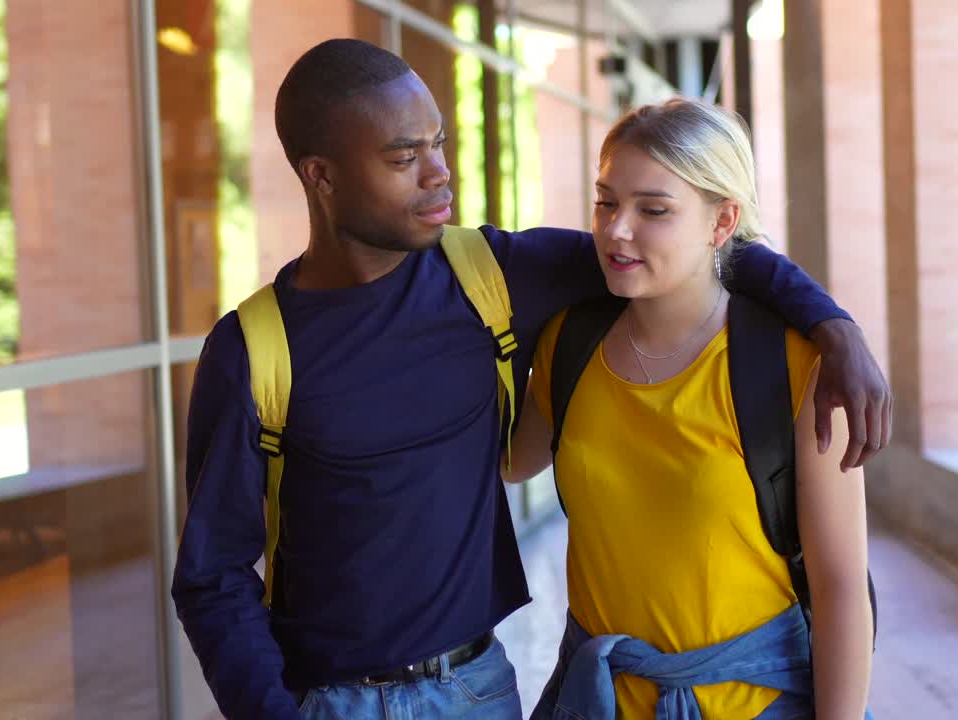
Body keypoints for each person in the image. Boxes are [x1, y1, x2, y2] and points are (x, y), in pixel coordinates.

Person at [172, 39, 887, 720]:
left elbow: (693, 252)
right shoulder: (251, 351)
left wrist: (832, 326)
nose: (439, 172)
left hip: (479, 691)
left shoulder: (494, 277)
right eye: (404, 157)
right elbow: (212, 577)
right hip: (328, 701)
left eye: (439, 144)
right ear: (321, 176)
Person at [506, 99, 874, 720]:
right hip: (597, 702)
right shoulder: (568, 343)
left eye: (653, 210)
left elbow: (841, 588)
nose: (617, 230)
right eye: (606, 203)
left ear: (722, 221)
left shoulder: (799, 366)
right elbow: (511, 462)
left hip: (755, 706)